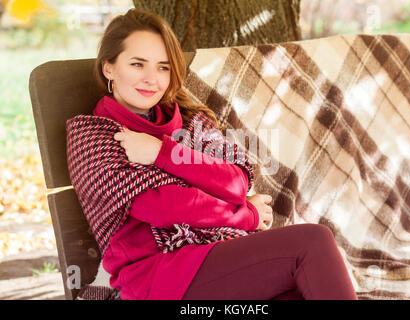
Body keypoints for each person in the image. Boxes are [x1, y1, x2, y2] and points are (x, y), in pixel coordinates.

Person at [66, 8, 358, 300]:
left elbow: (236, 182)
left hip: (216, 257)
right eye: (137, 64)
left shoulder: (191, 121)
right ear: (108, 68)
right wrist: (247, 214)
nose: (151, 79)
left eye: (163, 67)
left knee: (300, 291)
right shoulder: (94, 135)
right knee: (312, 241)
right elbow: (165, 208)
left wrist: (162, 152)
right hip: (159, 275)